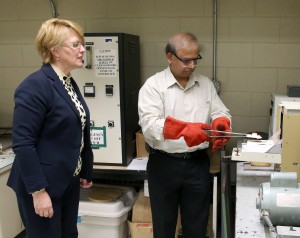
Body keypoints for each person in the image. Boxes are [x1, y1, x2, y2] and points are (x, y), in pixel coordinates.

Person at [138, 32, 231, 238]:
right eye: (185, 60)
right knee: (163, 227)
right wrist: (183, 130)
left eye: (195, 59)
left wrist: (221, 122)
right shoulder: (153, 86)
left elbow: (220, 111)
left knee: (196, 227)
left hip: (197, 164)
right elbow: (150, 125)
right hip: (163, 165)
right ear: (170, 57)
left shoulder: (205, 84)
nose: (191, 65)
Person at [7, 18, 94, 238]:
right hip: (42, 184)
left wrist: (85, 169)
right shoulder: (35, 86)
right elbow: (23, 144)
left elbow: (76, 127)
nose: (83, 49)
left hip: (66, 180)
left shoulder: (66, 81)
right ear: (54, 50)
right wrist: (38, 192)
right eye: (75, 45)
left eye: (81, 44)